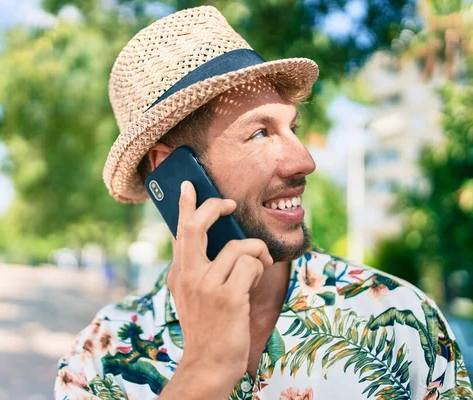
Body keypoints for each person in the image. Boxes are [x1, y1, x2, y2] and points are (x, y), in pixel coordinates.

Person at [54, 6, 472, 400]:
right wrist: (203, 374)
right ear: (172, 171)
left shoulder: (403, 320)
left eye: (293, 127)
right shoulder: (97, 359)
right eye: (259, 133)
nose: (304, 161)